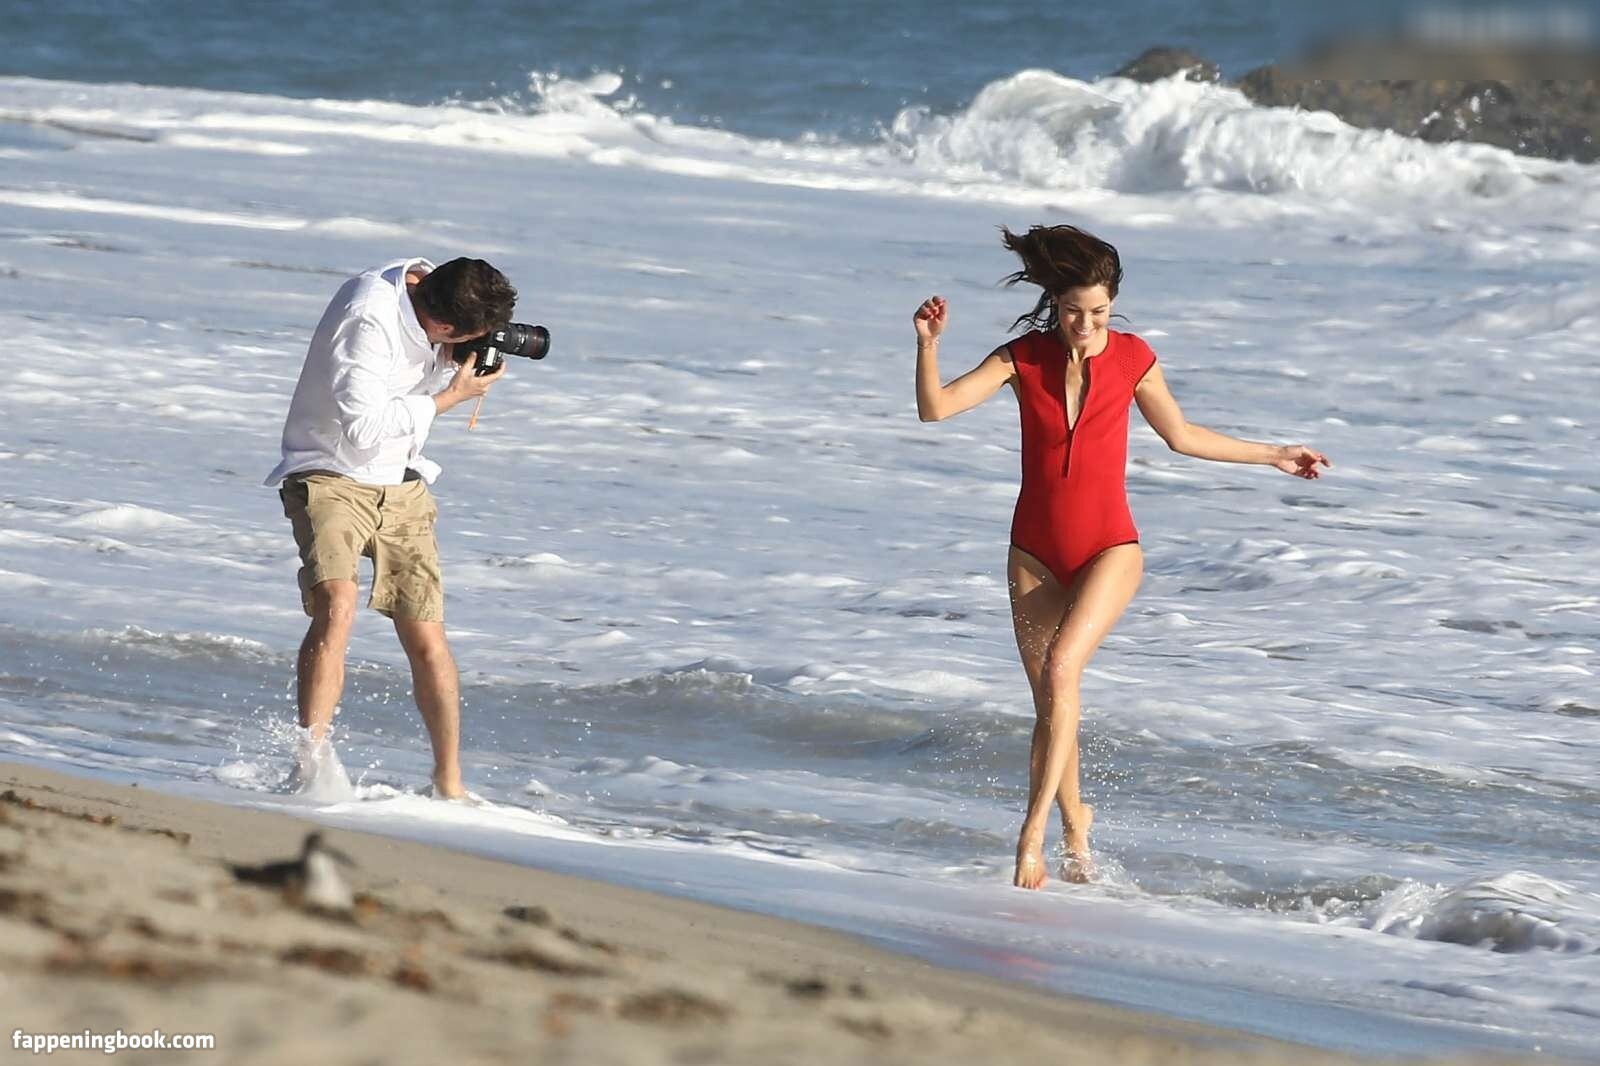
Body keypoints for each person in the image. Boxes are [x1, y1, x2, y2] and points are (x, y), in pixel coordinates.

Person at [912, 225, 1329, 889]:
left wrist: (1274, 454)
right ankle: (1077, 826)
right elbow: (935, 410)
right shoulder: (1021, 358)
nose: (1085, 325)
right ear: (1054, 302)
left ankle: (1031, 836)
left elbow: (1182, 435)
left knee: (1061, 670)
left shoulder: (1134, 358)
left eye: (1099, 312)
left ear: (1113, 306)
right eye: (1073, 311)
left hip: (1111, 547)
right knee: (1053, 701)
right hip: (1033, 554)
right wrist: (928, 345)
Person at [265, 256, 517, 799]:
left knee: (427, 634)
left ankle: (449, 783)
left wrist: (455, 361)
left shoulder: (433, 297)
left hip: (401, 480)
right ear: (443, 324)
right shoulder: (368, 318)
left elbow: (405, 402)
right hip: (329, 470)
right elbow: (363, 430)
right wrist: (451, 397)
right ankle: (310, 767)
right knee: (337, 605)